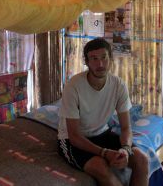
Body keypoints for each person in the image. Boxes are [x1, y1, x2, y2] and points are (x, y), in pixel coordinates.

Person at [57, 37, 149, 186]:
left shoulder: (118, 85)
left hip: (101, 134)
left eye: (104, 57)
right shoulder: (73, 86)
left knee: (141, 160)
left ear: (110, 58)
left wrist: (125, 149)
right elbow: (73, 136)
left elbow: (126, 128)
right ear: (86, 62)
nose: (100, 64)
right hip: (72, 141)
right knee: (100, 166)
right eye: (93, 59)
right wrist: (105, 153)